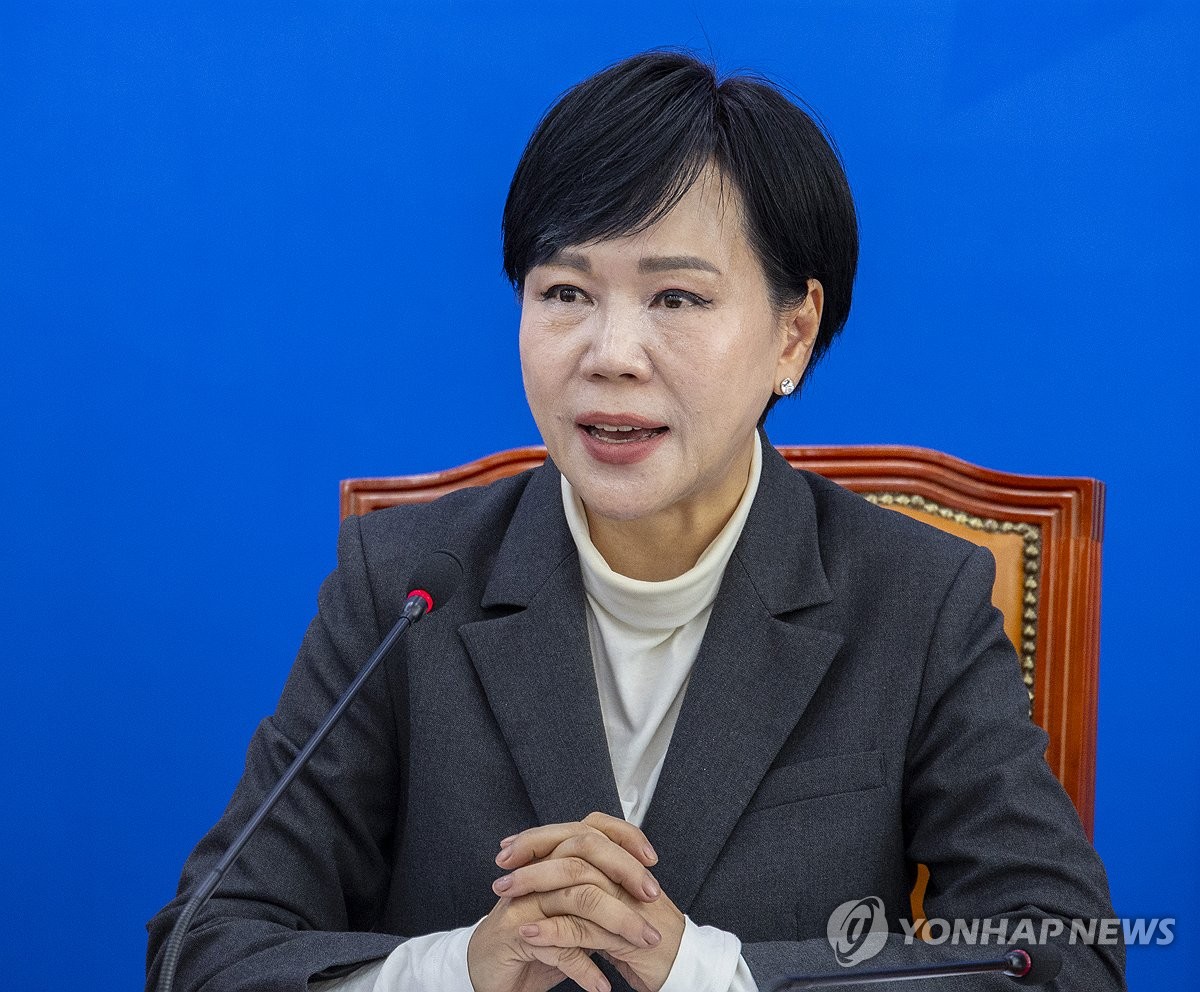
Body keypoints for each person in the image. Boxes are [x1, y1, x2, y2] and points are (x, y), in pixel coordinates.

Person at [146, 50, 1125, 992]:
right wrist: (462, 969)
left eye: (676, 297)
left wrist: (700, 972)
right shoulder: (408, 585)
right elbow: (202, 949)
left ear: (793, 334)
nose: (611, 353)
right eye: (566, 292)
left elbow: (1062, 958)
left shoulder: (913, 600)